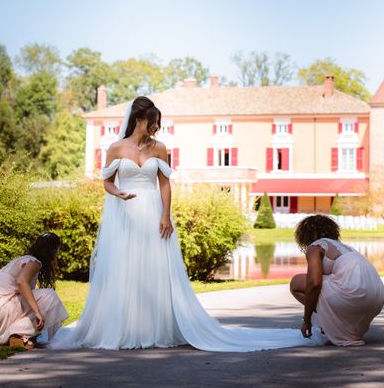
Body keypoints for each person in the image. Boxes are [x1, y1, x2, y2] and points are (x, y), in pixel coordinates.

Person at [51, 96, 323, 351]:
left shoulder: (159, 148)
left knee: (153, 268)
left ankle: (154, 329)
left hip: (153, 211)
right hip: (125, 214)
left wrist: (166, 215)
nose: (157, 127)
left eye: (159, 122)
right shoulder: (116, 148)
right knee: (125, 266)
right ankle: (121, 328)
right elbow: (107, 183)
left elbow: (165, 184)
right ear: (139, 118)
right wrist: (117, 193)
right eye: (153, 121)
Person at [289, 214, 384, 346]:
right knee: (324, 283)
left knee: (296, 282)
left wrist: (307, 320)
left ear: (304, 235)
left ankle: (331, 324)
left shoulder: (315, 247)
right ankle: (334, 328)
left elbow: (314, 284)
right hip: (377, 297)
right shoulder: (344, 247)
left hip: (354, 295)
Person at [0, 233, 68, 349]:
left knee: (34, 300)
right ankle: (17, 333)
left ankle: (17, 336)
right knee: (49, 296)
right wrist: (36, 312)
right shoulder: (34, 262)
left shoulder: (23, 259)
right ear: (52, 250)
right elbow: (21, 281)